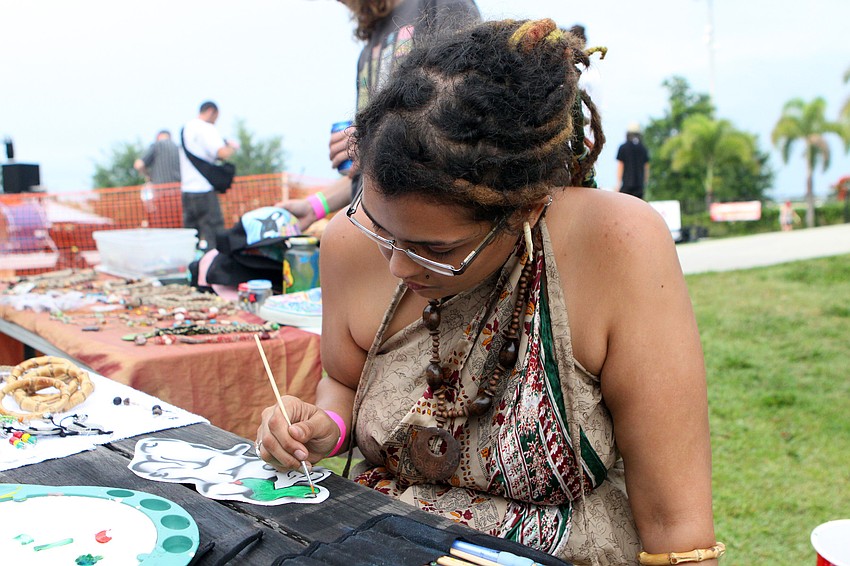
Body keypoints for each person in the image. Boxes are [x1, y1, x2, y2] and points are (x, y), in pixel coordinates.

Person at [257, 19, 720, 565]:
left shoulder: (614, 244)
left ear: (525, 207)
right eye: (381, 230)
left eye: (436, 249)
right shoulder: (346, 245)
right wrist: (321, 430)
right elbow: (345, 380)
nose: (399, 265)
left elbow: (676, 524)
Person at [277, 0, 481, 232]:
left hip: (421, 228)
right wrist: (314, 206)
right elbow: (369, 171)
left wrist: (372, 136)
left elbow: (461, 111)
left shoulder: (440, 5)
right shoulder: (369, 48)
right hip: (375, 226)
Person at [179, 101, 236, 250]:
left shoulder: (186, 128)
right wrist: (231, 147)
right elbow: (221, 153)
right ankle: (215, 268)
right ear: (211, 111)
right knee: (215, 235)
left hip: (187, 190)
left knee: (190, 237)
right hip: (204, 190)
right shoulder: (206, 128)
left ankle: (191, 268)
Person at [616, 122, 650, 200]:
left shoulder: (623, 147)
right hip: (639, 186)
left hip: (626, 186)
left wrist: (618, 184)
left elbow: (620, 166)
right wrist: (645, 182)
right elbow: (646, 167)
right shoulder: (643, 148)